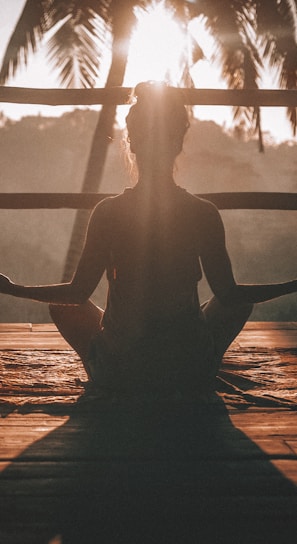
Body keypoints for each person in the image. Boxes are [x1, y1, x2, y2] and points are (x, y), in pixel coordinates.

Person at [0, 81, 296, 399]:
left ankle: (111, 364)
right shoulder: (202, 212)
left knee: (64, 309)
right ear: (179, 142)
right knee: (237, 303)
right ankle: (199, 360)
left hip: (120, 371)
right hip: (188, 369)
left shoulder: (108, 211)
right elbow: (229, 294)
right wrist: (293, 284)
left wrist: (15, 288)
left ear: (132, 142)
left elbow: (77, 292)